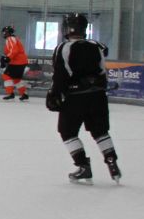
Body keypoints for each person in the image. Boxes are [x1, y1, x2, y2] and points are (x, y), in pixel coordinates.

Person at [46, 12, 121, 184]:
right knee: (100, 131)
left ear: (66, 28)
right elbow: (102, 70)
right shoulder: (97, 46)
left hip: (75, 98)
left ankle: (83, 166)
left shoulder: (63, 48)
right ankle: (112, 162)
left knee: (67, 132)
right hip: (98, 96)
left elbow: (61, 75)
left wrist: (54, 94)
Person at [0, 24, 30, 101]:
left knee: (6, 76)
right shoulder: (13, 39)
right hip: (20, 61)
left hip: (17, 62)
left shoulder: (10, 39)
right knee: (16, 79)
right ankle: (24, 94)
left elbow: (14, 50)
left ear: (8, 33)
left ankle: (10, 94)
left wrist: (7, 58)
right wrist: (5, 57)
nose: (4, 34)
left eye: (5, 32)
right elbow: (11, 51)